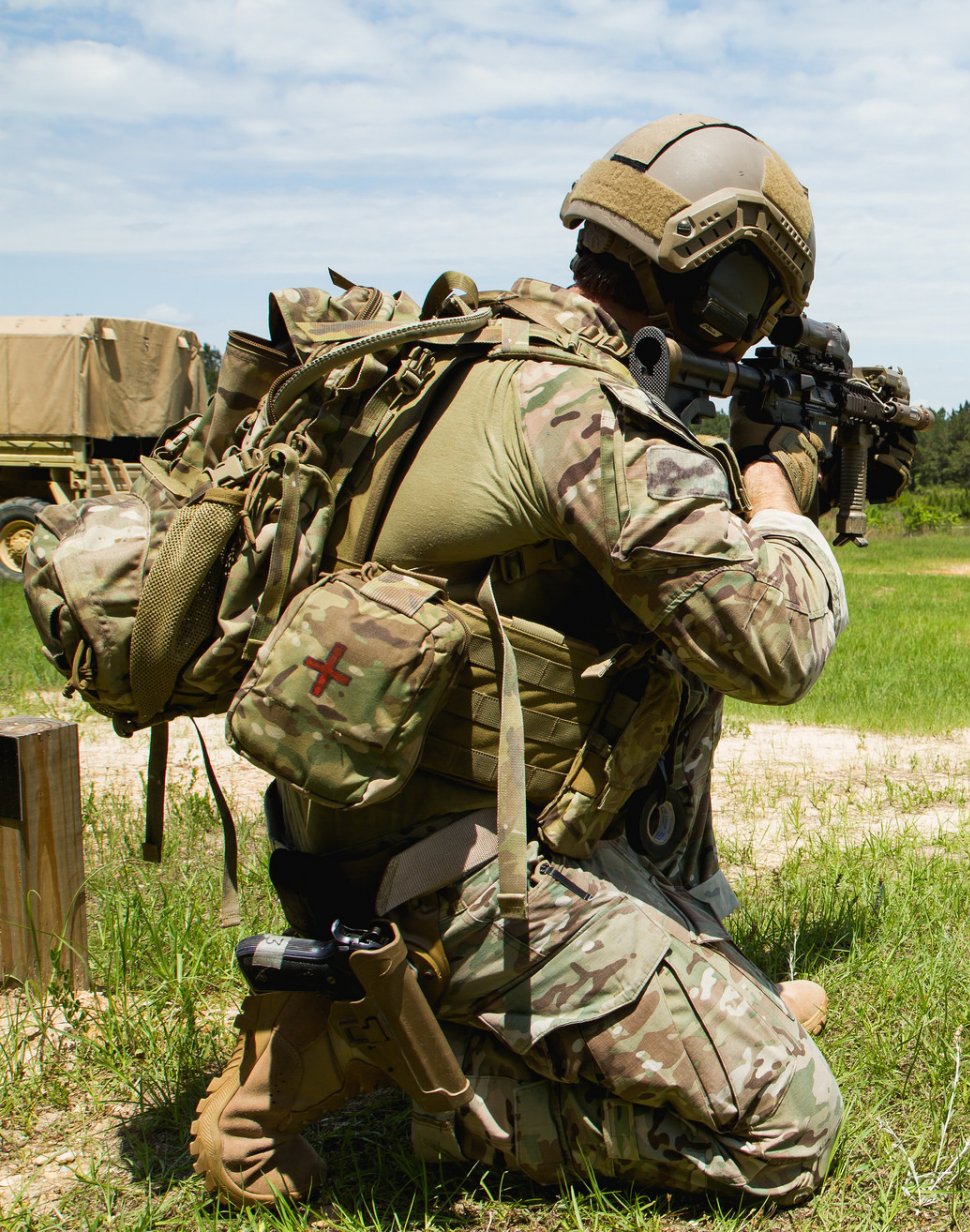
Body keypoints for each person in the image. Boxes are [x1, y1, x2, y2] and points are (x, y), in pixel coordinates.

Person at [191, 114, 901, 1208]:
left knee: (663, 660)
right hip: (452, 881)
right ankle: (372, 1042)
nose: (748, 334)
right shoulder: (589, 412)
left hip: (361, 837)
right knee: (788, 1124)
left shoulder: (471, 350)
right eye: (753, 305)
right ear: (716, 277)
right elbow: (775, 641)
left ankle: (654, 967)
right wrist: (773, 486)